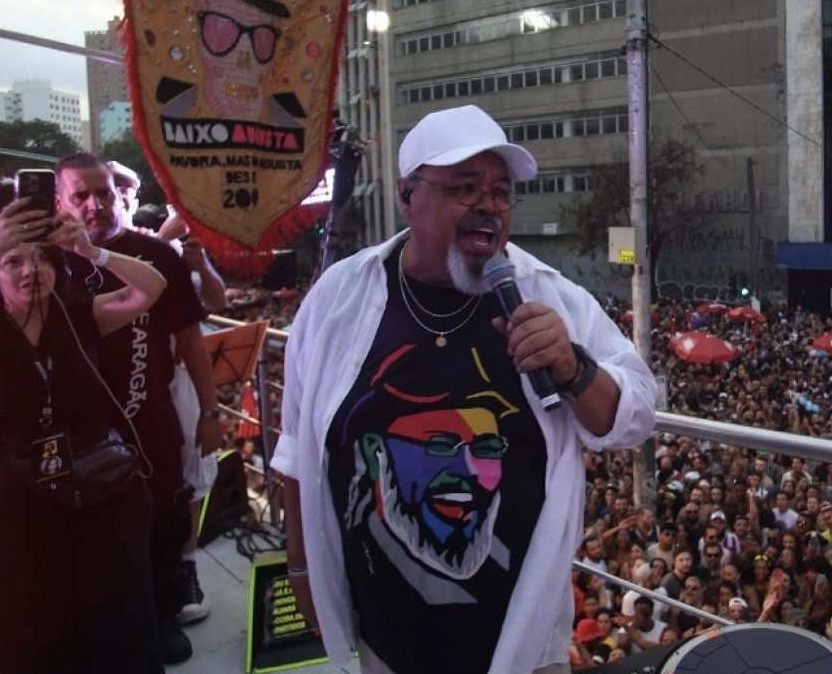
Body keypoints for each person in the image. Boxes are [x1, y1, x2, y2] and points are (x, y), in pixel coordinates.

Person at [271, 105, 658, 673]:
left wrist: (573, 368)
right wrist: (301, 570)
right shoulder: (339, 298)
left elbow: (637, 415)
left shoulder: (549, 297)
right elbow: (296, 449)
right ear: (408, 195)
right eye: (464, 187)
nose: (488, 205)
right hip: (384, 636)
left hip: (517, 643)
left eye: (501, 192)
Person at [0, 188, 168, 672]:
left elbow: (150, 288)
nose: (30, 270)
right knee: (37, 627)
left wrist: (91, 251)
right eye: (13, 263)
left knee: (117, 626)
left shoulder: (78, 312)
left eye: (42, 258)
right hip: (20, 504)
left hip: (101, 489)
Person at [56, 152, 225, 664]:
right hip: (78, 431)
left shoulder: (156, 256)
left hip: (152, 419)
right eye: (80, 195)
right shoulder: (44, 261)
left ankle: (162, 612)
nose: (95, 205)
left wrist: (211, 413)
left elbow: (190, 337)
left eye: (103, 193)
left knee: (163, 517)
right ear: (59, 201)